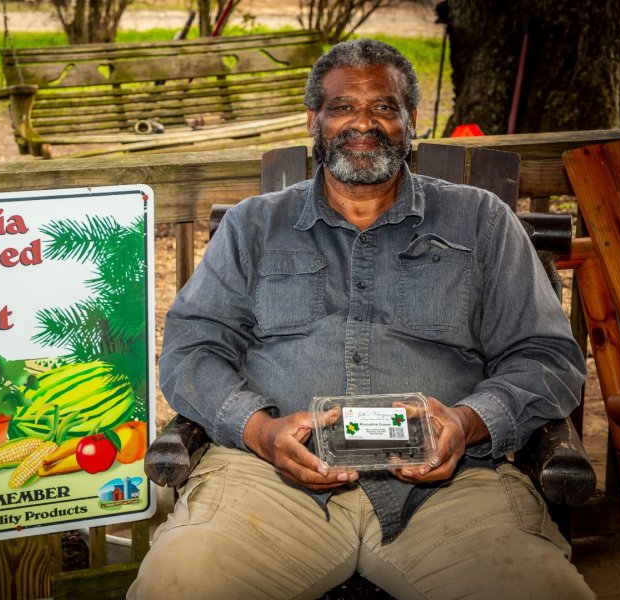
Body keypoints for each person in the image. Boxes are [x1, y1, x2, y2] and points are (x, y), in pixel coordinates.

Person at [128, 38, 594, 600]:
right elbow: (191, 350)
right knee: (177, 586)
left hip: (452, 490)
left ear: (410, 122)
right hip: (269, 485)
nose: (363, 123)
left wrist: (469, 423)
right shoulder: (253, 227)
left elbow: (546, 357)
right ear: (314, 121)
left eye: (384, 108)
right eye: (343, 107)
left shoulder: (481, 223)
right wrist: (261, 431)